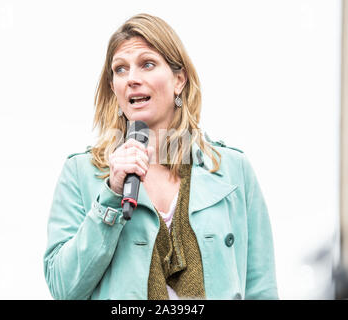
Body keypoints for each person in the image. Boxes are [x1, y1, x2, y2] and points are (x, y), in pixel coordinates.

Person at [43, 13, 278, 300]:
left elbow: (261, 288)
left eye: (147, 64)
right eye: (120, 69)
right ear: (113, 88)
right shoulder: (82, 173)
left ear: (179, 80)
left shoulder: (232, 170)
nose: (132, 79)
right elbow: (63, 288)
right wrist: (112, 195)